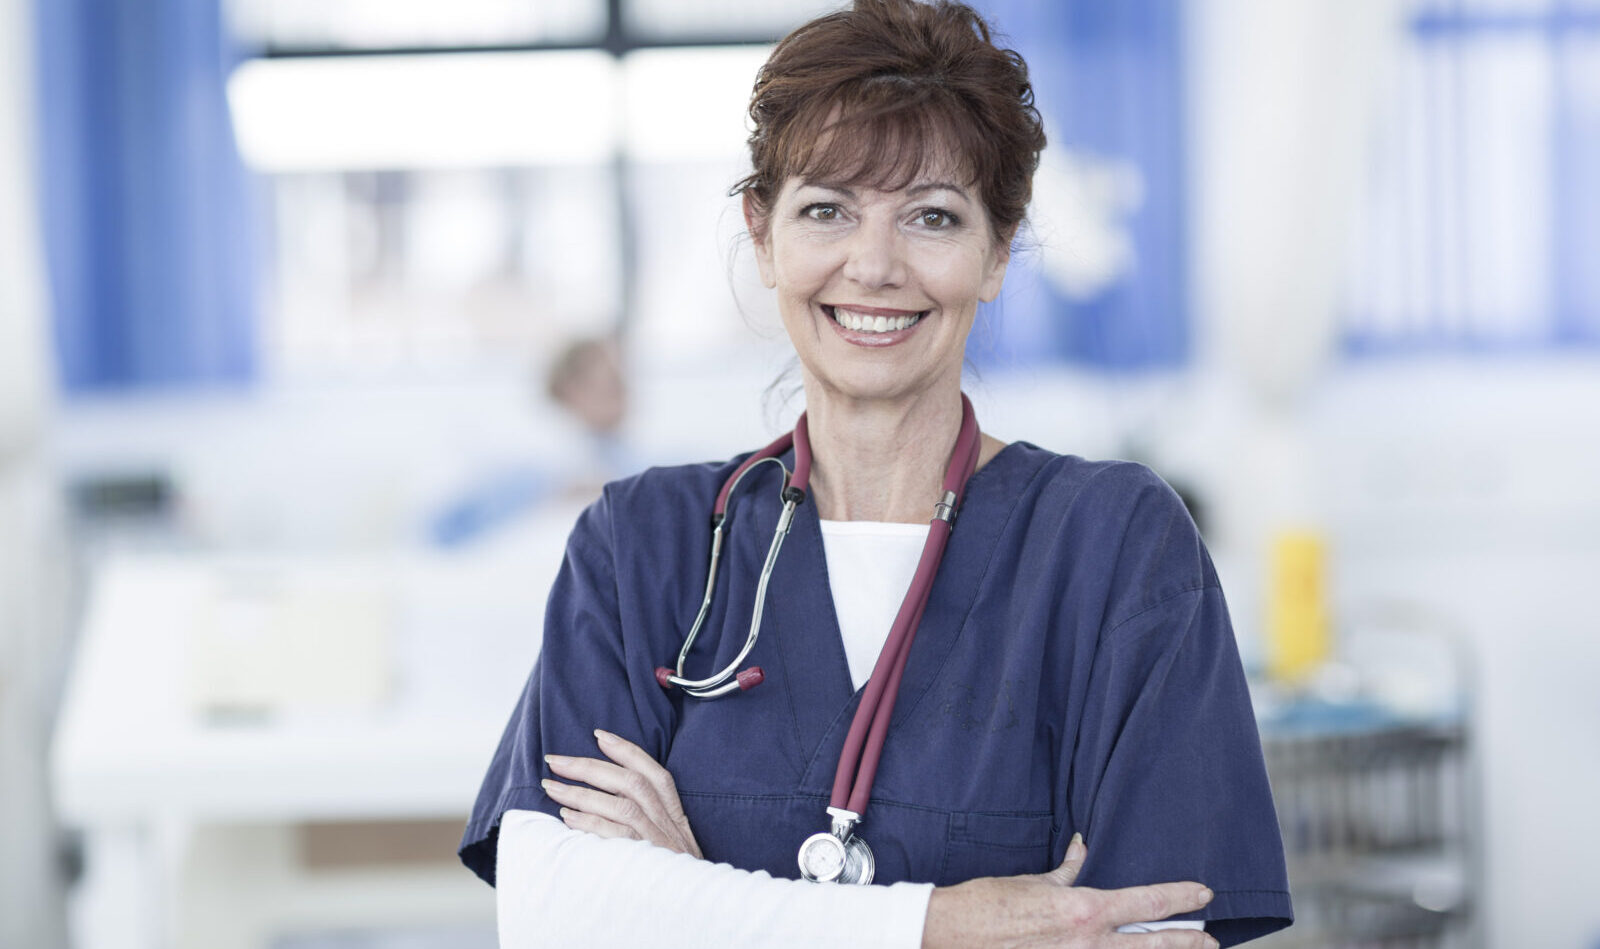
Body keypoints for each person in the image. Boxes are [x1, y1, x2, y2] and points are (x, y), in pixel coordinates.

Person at [459, 1, 1293, 946]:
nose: (875, 264)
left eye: (933, 216)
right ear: (764, 235)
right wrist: (942, 923)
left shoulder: (1115, 546)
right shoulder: (642, 544)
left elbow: (1159, 935)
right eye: (827, 210)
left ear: (998, 252)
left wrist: (693, 900)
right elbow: (553, 915)